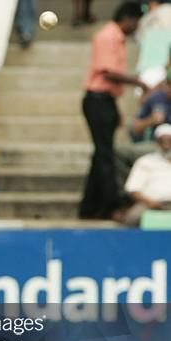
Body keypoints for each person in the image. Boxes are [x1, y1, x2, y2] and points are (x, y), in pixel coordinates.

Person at [79, 1, 148, 220]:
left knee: (101, 154)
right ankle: (110, 206)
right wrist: (139, 82)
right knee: (105, 155)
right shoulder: (108, 35)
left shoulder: (115, 36)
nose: (136, 28)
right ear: (128, 19)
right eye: (136, 23)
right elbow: (107, 73)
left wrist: (116, 108)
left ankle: (90, 207)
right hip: (97, 99)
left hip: (105, 99)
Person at [123, 123, 171, 225]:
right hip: (150, 204)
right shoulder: (145, 161)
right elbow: (133, 189)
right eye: (163, 141)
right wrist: (151, 203)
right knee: (132, 218)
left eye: (169, 141)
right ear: (157, 142)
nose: (167, 145)